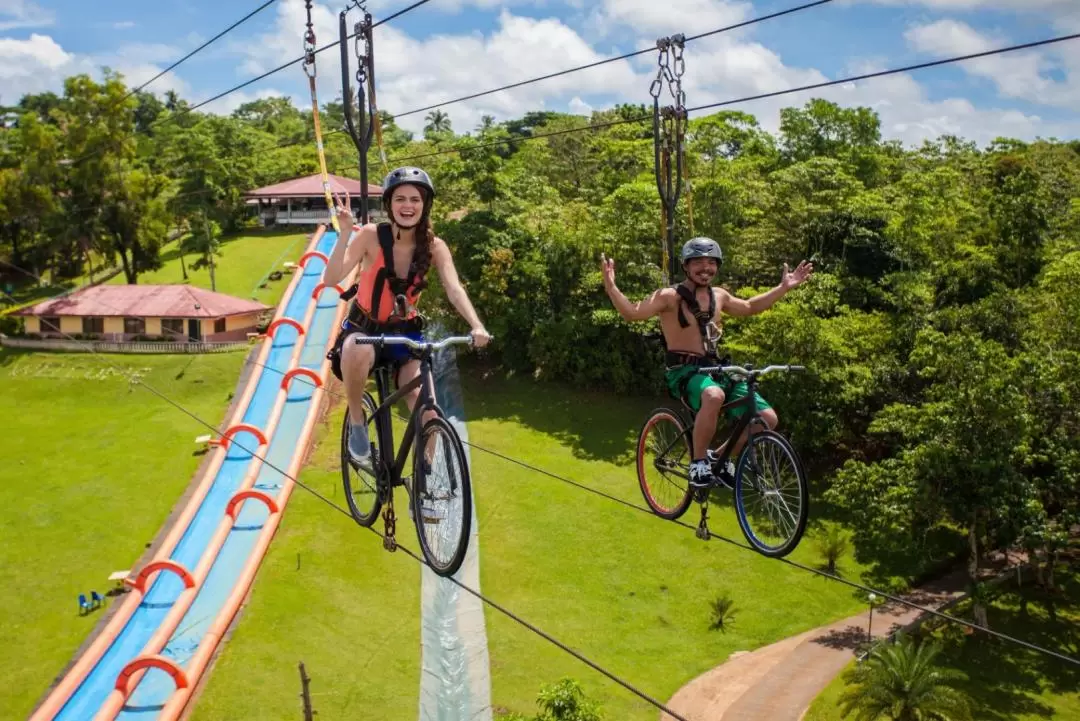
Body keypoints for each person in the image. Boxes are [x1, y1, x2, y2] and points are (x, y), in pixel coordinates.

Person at [601, 238, 812, 488]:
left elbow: (749, 306)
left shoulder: (718, 296)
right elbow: (633, 313)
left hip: (716, 370)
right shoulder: (669, 297)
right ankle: (698, 463)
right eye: (698, 262)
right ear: (686, 266)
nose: (705, 268)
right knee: (713, 395)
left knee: (767, 418)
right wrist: (611, 287)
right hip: (685, 372)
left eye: (711, 263)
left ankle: (718, 457)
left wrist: (783, 288)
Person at [323, 166, 491, 475]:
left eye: (415, 199)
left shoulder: (435, 247)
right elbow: (332, 278)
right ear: (389, 205)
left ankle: (424, 481)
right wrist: (345, 233)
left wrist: (476, 325)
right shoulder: (371, 236)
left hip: (404, 333)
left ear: (425, 204)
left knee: (427, 407)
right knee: (357, 349)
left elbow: (454, 289)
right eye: (400, 199)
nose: (408, 205)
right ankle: (358, 424)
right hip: (366, 329)